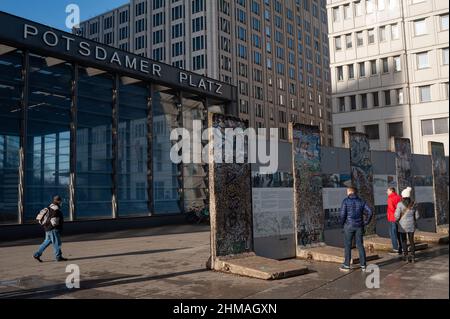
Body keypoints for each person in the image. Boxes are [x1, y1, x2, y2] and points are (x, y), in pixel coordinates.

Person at [339, 186, 373, 272]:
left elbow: (342, 215)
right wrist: (366, 222)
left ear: (350, 192)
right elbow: (370, 212)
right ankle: (363, 265)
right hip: (359, 226)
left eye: (347, 191)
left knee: (348, 245)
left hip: (349, 226)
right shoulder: (361, 201)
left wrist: (342, 224)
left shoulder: (345, 201)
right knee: (360, 245)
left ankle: (347, 265)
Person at [33, 195, 68, 262]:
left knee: (46, 242)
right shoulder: (55, 209)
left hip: (47, 228)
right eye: (60, 201)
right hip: (53, 229)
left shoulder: (49, 207)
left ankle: (36, 254)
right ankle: (58, 257)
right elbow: (54, 221)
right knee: (57, 243)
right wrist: (58, 228)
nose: (61, 202)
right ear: (58, 201)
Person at [395, 187, 419, 263]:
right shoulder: (414, 203)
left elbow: (397, 216)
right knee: (411, 241)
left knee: (404, 241)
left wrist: (396, 219)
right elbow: (417, 216)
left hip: (402, 226)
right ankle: (413, 256)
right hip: (411, 225)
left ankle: (405, 256)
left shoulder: (399, 204)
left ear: (403, 196)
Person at [386, 187, 402, 254]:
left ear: (391, 191)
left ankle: (395, 248)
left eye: (387, 191)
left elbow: (392, 208)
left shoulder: (390, 198)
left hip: (392, 218)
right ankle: (401, 247)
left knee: (393, 233)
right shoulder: (399, 197)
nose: (386, 192)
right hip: (399, 217)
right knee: (399, 233)